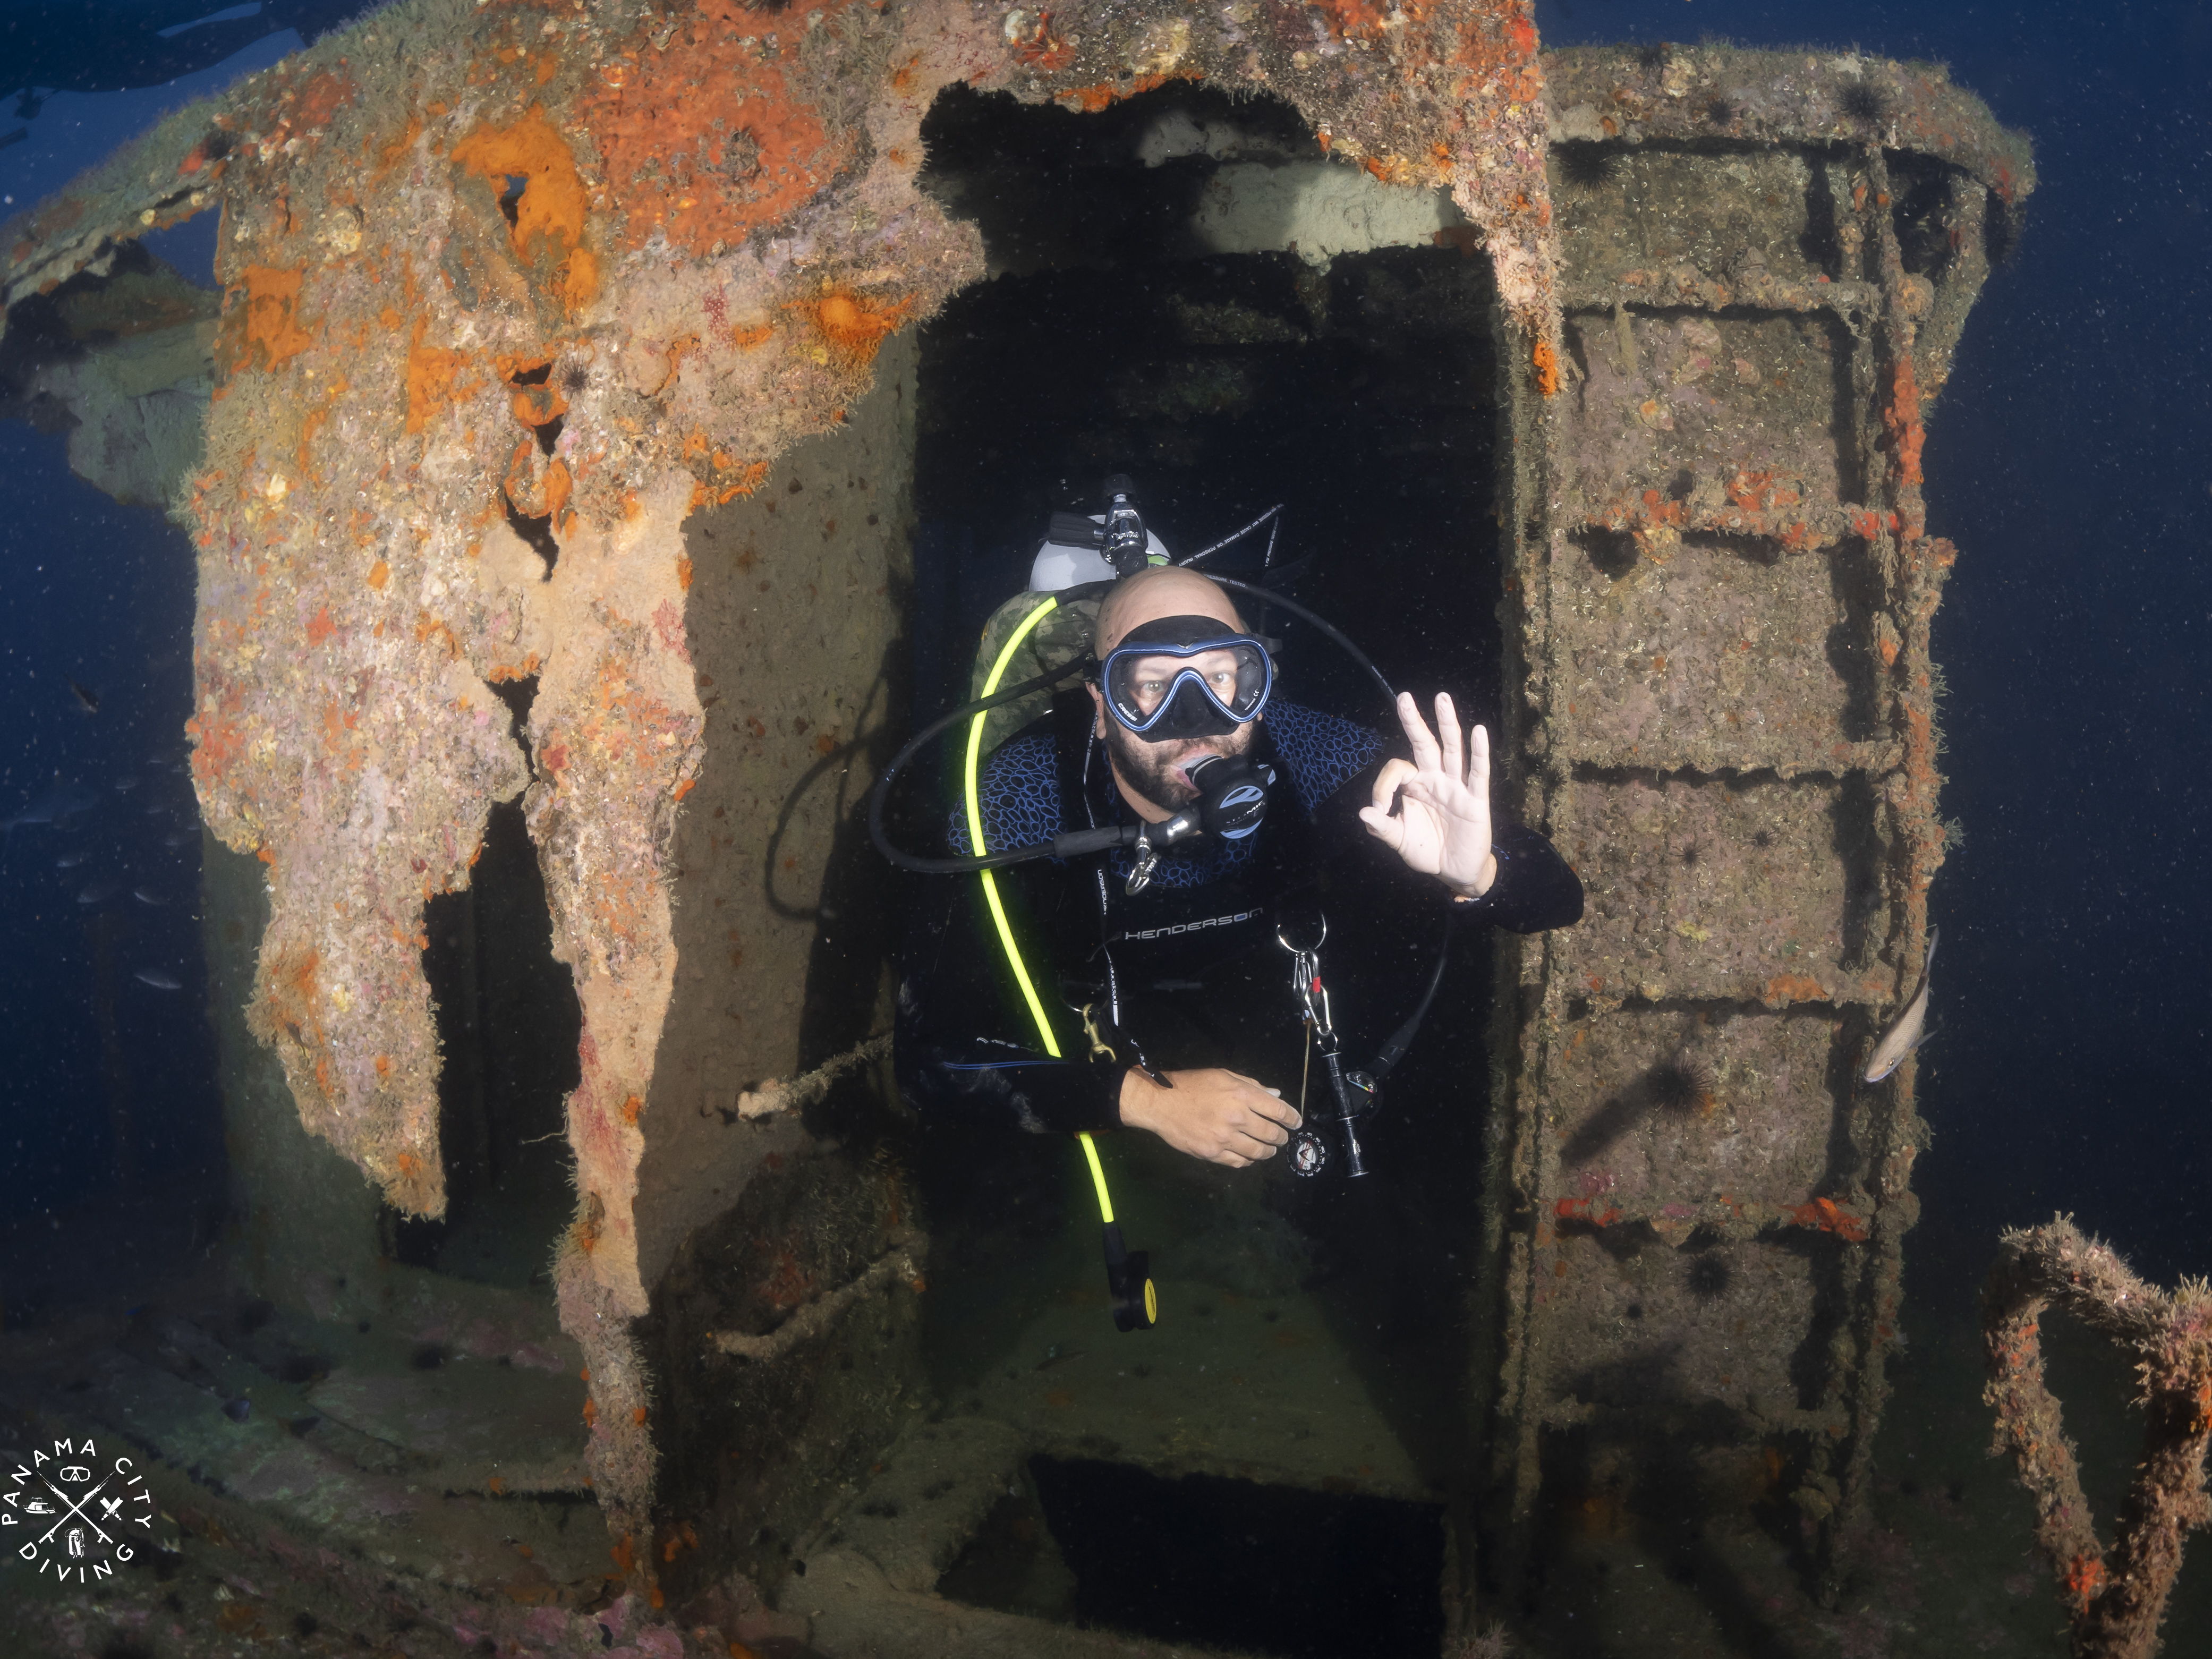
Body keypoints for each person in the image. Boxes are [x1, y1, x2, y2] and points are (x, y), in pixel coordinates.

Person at [895, 563, 1583, 1169]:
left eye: (1223, 677)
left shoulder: (1315, 761)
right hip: (1097, 1023)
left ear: (1259, 685)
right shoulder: (1018, 803)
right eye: (1152, 684)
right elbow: (930, 1062)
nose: (1196, 717)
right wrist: (1145, 1103)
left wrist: (1480, 874)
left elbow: (1559, 902)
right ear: (1101, 709)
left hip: (1260, 1006)